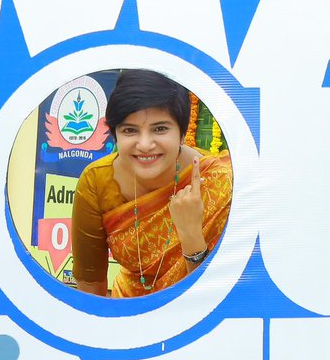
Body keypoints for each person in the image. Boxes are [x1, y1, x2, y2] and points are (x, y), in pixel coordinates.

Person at [71, 69, 233, 297]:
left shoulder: (220, 182)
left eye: (160, 129)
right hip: (127, 315)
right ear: (115, 136)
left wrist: (191, 238)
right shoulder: (97, 182)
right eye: (130, 130)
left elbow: (218, 299)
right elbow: (90, 286)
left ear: (182, 133)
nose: (145, 144)